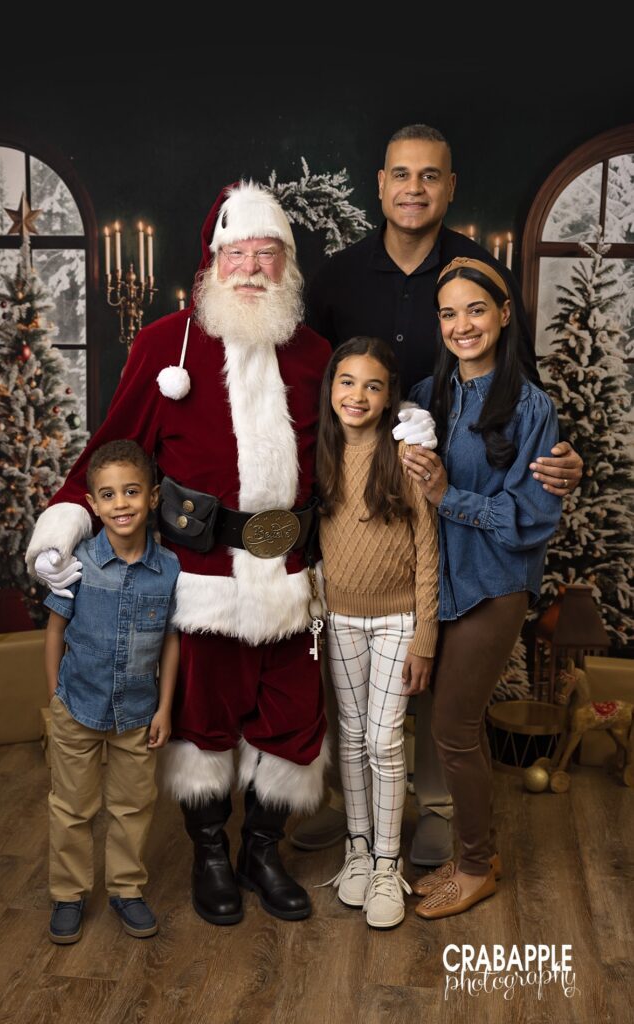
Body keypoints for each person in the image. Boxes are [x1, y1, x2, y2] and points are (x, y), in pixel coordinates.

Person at [27, 181, 330, 926]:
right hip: (201, 577)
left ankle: (263, 851)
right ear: (213, 260)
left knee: (291, 722)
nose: (252, 267)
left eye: (268, 253)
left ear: (287, 263)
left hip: (295, 576)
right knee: (204, 721)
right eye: (239, 253)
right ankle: (209, 854)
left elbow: (352, 448)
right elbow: (112, 443)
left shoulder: (316, 352)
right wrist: (67, 518)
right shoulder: (167, 347)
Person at [294, 123, 583, 863]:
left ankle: (435, 807)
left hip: (453, 514)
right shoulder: (337, 276)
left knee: (432, 677)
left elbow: (521, 399)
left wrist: (559, 462)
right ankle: (346, 800)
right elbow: (308, 381)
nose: (414, 188)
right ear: (381, 185)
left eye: (430, 176)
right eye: (400, 174)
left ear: (449, 187)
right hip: (363, 504)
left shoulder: (474, 267)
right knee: (357, 671)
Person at [403, 256, 562, 917]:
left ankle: (475, 866)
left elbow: (531, 518)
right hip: (433, 584)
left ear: (502, 315)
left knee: (452, 727)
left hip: (494, 585)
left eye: (475, 309)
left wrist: (449, 496)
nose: (461, 324)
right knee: (443, 727)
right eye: (447, 312)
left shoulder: (531, 407)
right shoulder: (423, 395)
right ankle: (473, 855)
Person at [316, 337, 439, 929]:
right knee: (350, 733)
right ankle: (358, 849)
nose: (357, 395)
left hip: (397, 621)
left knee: (384, 742)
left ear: (391, 397)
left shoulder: (407, 456)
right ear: (330, 389)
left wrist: (426, 638)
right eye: (346, 382)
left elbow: (428, 551)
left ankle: (389, 864)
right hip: (338, 619)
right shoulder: (316, 455)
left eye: (372, 385)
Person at [44, 440, 180, 944]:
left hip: (138, 714)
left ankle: (126, 889)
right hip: (76, 707)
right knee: (72, 806)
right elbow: (55, 631)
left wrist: (165, 708)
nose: (120, 503)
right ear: (93, 504)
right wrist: (56, 694)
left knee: (131, 806)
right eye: (108, 495)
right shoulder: (77, 563)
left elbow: (170, 641)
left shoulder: (168, 570)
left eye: (131, 491)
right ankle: (67, 894)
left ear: (152, 496)